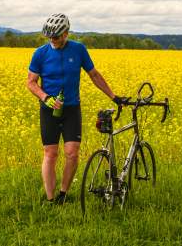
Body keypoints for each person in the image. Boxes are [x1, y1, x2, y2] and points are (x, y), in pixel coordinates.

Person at [26, 13, 125, 204]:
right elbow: (31, 83)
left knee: (72, 152)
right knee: (51, 153)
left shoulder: (78, 50)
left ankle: (63, 194)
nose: (52, 40)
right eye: (50, 37)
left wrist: (114, 97)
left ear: (66, 33)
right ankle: (50, 199)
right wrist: (45, 97)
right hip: (49, 109)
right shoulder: (40, 53)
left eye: (56, 36)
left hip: (71, 108)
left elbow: (94, 75)